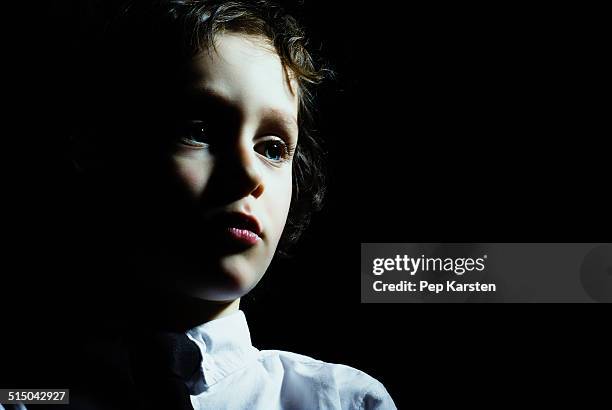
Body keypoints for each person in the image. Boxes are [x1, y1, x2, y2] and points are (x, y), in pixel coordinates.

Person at [1, 1, 396, 409]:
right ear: (103, 146)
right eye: (201, 130)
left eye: (274, 149)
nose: (248, 175)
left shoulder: (341, 401)